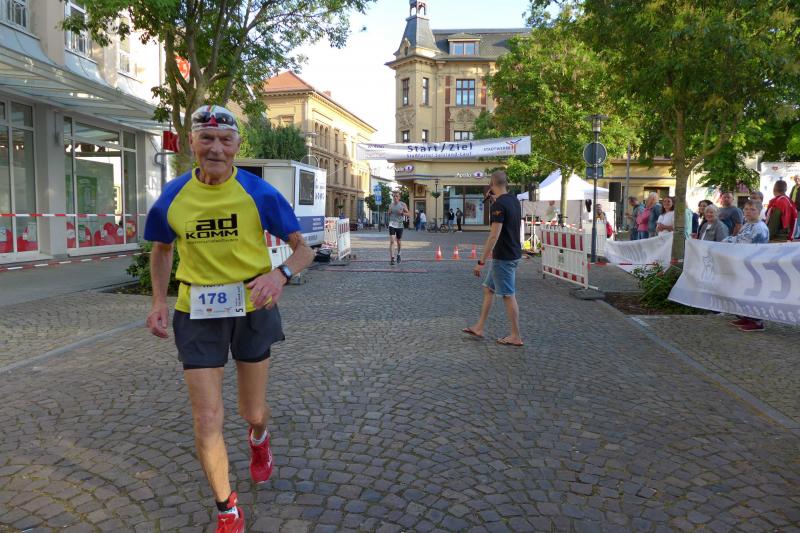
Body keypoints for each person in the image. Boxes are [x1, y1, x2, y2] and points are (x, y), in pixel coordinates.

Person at [144, 105, 314, 533]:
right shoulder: (173, 196)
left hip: (252, 306)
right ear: (192, 144)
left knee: (251, 411)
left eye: (225, 140)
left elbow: (304, 249)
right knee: (206, 417)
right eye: (207, 139)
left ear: (237, 146)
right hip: (197, 311)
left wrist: (280, 274)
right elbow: (162, 249)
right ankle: (226, 509)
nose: (216, 148)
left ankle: (259, 437)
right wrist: (159, 301)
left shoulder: (259, 193)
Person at [462, 171, 523, 347]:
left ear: (491, 184)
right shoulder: (513, 201)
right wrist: (495, 202)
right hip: (513, 252)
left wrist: (480, 262)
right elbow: (507, 218)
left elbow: (494, 236)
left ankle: (515, 336)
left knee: (508, 295)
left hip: (503, 257)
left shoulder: (499, 205)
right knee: (489, 288)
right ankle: (479, 327)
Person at [724, 200, 769, 332]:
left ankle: (757, 321)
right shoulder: (747, 224)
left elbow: (746, 243)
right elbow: (739, 238)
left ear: (759, 211)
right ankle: (746, 316)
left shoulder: (760, 228)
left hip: (754, 266)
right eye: (746, 209)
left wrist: (727, 241)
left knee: (753, 293)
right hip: (743, 263)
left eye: (752, 209)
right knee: (743, 291)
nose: (748, 212)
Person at [387, 190, 410, 264]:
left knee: (398, 241)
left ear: (399, 197)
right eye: (394, 196)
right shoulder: (390, 205)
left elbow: (409, 214)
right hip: (392, 224)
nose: (395, 197)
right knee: (392, 241)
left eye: (396, 196)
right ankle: (392, 258)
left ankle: (399, 254)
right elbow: (389, 213)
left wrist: (402, 213)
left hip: (399, 224)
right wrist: (389, 212)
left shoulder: (403, 204)